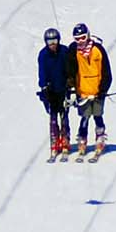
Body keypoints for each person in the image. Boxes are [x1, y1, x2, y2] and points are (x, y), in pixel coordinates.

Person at [70, 23, 114, 158]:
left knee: (97, 115)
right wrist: (72, 89)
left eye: (83, 38)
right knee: (85, 117)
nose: (80, 41)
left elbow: (106, 72)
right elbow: (70, 71)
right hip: (83, 91)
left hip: (97, 92)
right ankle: (82, 139)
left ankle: (100, 138)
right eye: (77, 39)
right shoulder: (73, 51)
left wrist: (103, 90)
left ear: (88, 36)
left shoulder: (98, 50)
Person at [37, 26, 77, 159]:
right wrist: (44, 86)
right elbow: (42, 72)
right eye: (50, 42)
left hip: (64, 88)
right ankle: (55, 143)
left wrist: (71, 82)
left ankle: (65, 141)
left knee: (64, 117)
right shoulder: (43, 55)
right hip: (51, 90)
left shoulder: (64, 51)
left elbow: (70, 68)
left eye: (55, 41)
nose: (53, 44)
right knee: (53, 118)